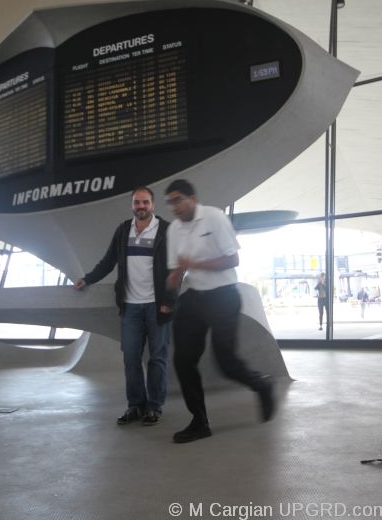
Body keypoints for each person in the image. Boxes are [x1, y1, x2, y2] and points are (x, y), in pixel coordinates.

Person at [165, 179, 275, 444]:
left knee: (226, 362)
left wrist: (196, 264)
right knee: (183, 360)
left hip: (224, 296)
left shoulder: (214, 217)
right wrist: (175, 277)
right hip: (194, 298)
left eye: (178, 200)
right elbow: (178, 266)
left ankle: (261, 385)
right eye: (170, 203)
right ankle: (200, 422)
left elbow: (232, 259)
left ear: (192, 198)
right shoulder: (174, 230)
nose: (174, 207)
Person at [74, 186, 176, 426]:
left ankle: (154, 407)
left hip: (156, 306)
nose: (141, 206)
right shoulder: (123, 230)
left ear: (153, 204)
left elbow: (176, 269)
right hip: (130, 307)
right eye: (137, 202)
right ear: (132, 205)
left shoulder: (166, 230)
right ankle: (135, 405)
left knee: (157, 358)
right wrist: (87, 278)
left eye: (145, 202)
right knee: (130, 357)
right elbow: (108, 261)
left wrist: (169, 301)